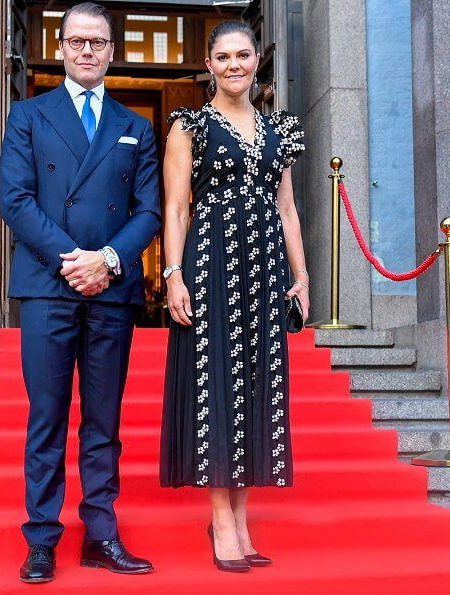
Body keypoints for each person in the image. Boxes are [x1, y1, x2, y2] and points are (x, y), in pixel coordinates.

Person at [0, 2, 160, 583]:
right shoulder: (28, 115)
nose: (87, 51)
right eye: (76, 42)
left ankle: (101, 534)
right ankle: (41, 538)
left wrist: (107, 261)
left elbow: (149, 211)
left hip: (110, 290)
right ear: (61, 47)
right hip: (49, 287)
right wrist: (75, 261)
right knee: (46, 416)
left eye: (97, 42)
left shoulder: (135, 125)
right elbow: (15, 200)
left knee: (103, 421)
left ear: (112, 50)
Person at [160, 20, 308, 572]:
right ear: (209, 63)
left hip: (265, 273)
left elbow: (287, 210)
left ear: (256, 61)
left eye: (243, 55)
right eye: (223, 57)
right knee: (215, 388)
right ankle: (221, 519)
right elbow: (177, 208)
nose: (234, 65)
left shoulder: (279, 130)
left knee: (255, 390)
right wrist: (173, 275)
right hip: (211, 269)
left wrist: (301, 276)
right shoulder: (190, 126)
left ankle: (242, 519)